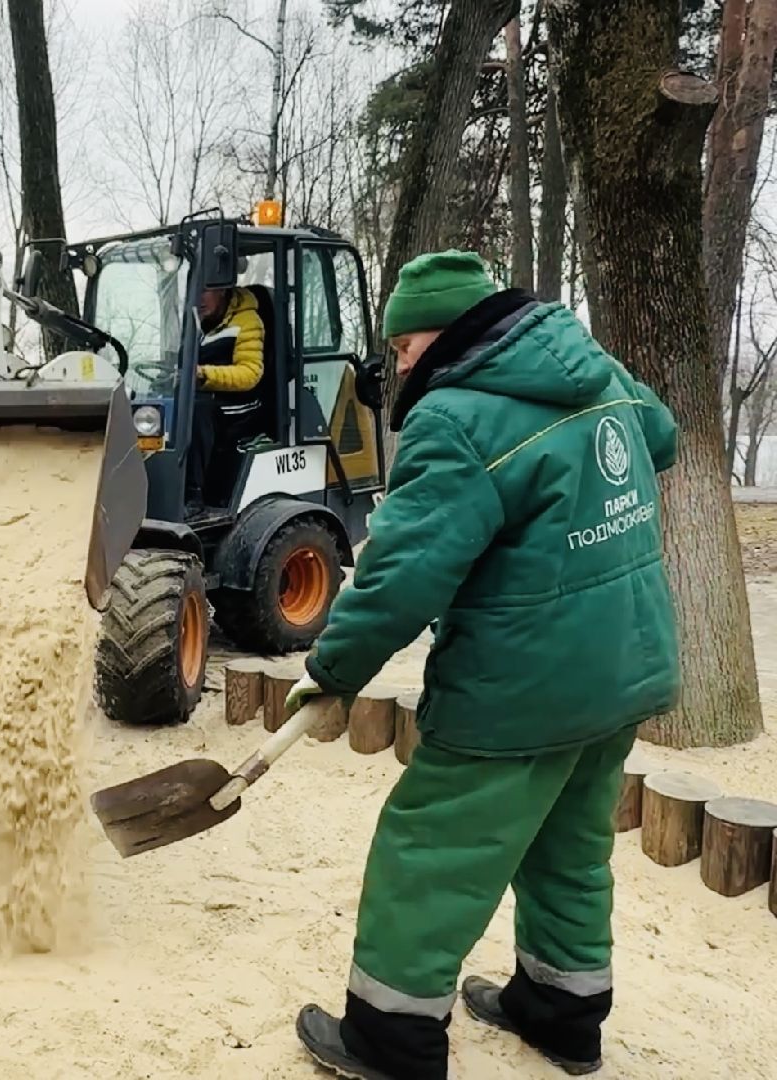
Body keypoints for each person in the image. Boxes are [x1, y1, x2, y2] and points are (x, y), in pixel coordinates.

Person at [287, 251, 680, 1080]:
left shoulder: (456, 419)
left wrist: (333, 670)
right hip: (625, 665)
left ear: (448, 331)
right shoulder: (594, 372)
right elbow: (663, 436)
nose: (397, 364)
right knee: (568, 847)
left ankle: (389, 1039)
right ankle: (562, 1015)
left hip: (521, 689)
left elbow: (403, 574)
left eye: (402, 347)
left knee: (429, 848)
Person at [187, 284, 265, 516]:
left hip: (241, 406)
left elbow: (251, 373)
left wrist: (204, 375)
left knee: (197, 411)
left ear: (222, 290)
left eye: (206, 290)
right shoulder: (197, 324)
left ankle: (192, 495)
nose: (199, 298)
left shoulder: (248, 321)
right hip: (210, 398)